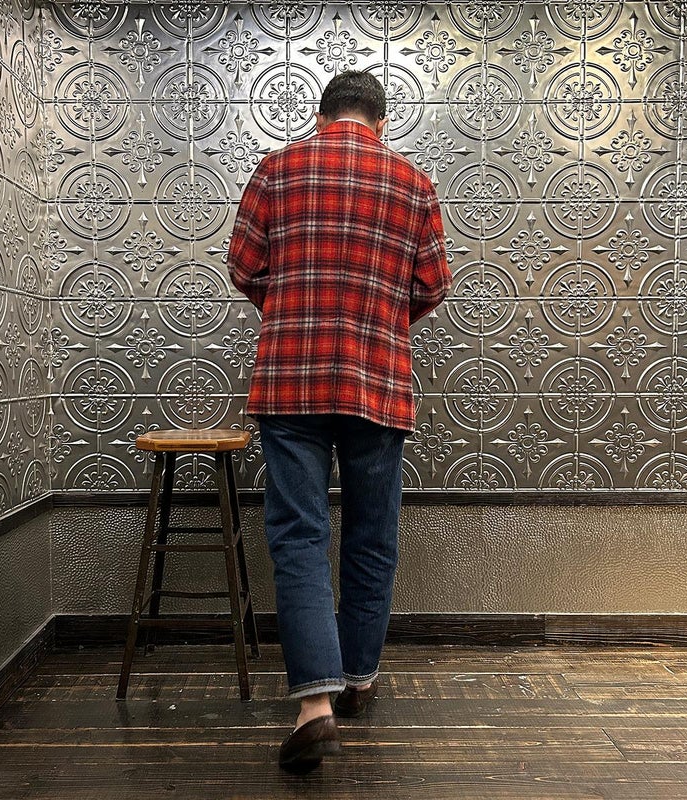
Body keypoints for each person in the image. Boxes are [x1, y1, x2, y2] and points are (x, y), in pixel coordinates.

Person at [227, 70, 451, 773]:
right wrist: (379, 320)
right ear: (381, 123)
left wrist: (291, 307)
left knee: (300, 536)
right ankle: (358, 678)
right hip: (378, 382)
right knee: (371, 535)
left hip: (289, 380)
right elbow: (433, 284)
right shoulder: (414, 184)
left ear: (322, 117)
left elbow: (243, 267)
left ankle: (315, 706)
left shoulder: (276, 169)